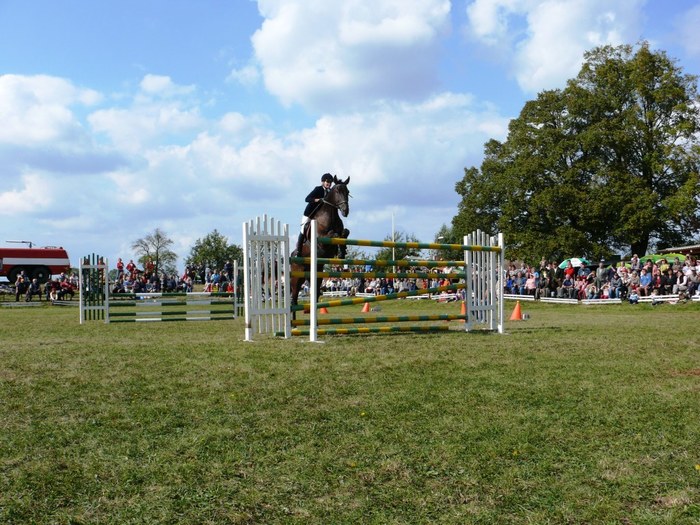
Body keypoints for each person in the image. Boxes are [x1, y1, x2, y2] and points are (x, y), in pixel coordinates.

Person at [296, 173, 334, 254]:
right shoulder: (318, 189)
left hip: (320, 215)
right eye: (328, 182)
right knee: (303, 229)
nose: (329, 184)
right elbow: (307, 199)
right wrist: (317, 200)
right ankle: (298, 250)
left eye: (330, 182)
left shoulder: (330, 192)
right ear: (323, 182)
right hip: (310, 213)